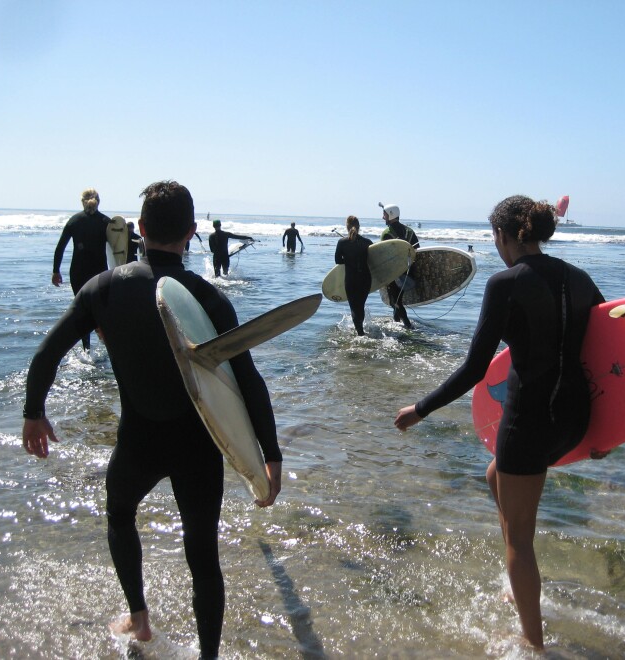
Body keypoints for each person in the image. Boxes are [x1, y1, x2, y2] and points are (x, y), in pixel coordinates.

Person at [22, 181, 282, 659]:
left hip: (138, 440)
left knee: (120, 516)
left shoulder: (103, 289)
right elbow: (248, 381)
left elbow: (46, 354)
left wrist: (34, 414)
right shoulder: (208, 297)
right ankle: (208, 657)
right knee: (202, 554)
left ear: (139, 229)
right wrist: (270, 457)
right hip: (197, 449)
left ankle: (139, 621)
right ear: (192, 232)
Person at [394, 195, 605, 650]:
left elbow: (474, 369)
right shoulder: (581, 278)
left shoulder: (504, 283)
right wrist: (603, 433)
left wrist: (420, 409)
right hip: (573, 418)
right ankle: (521, 583)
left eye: (495, 238)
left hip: (529, 422)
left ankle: (533, 642)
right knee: (496, 478)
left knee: (520, 543)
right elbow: (610, 352)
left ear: (505, 236)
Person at [51, 188, 111, 350]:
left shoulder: (74, 221)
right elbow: (119, 249)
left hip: (78, 272)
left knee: (83, 310)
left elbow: (60, 248)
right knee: (100, 311)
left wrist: (56, 271)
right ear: (98, 201)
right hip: (100, 273)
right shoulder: (106, 222)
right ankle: (109, 348)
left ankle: (86, 350)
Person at [379, 202, 418, 329]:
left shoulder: (386, 233)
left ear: (391, 215)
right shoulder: (410, 231)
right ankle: (395, 322)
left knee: (395, 301)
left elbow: (383, 256)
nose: (383, 217)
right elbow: (417, 251)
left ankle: (408, 325)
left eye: (384, 214)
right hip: (410, 272)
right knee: (398, 300)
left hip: (394, 274)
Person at [334, 215, 373, 336]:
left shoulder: (342, 242)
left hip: (351, 280)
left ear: (347, 227)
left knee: (354, 308)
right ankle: (361, 331)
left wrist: (348, 259)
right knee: (360, 306)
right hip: (366, 279)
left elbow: (337, 261)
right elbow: (375, 260)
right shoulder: (367, 242)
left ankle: (360, 334)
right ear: (359, 227)